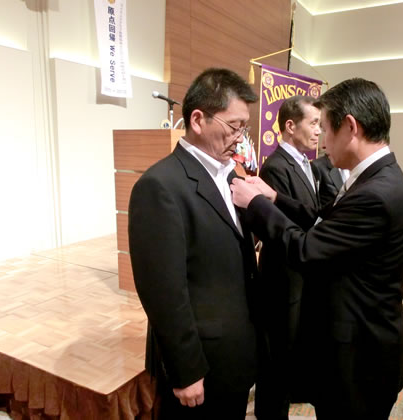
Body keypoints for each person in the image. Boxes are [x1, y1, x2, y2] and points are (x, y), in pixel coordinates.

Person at [230, 78, 403, 419]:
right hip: (358, 346)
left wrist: (255, 203)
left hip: (359, 362)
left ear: (351, 127)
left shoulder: (375, 195)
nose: (322, 140)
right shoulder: (377, 178)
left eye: (326, 129)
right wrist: (275, 197)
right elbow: (324, 221)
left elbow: (307, 249)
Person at [128, 68, 259, 420]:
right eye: (234, 127)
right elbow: (163, 292)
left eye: (244, 128)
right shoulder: (160, 186)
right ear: (198, 120)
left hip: (234, 352)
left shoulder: (229, 175)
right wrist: (186, 370)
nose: (240, 139)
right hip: (200, 362)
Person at [255, 96, 321, 420]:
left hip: (300, 268)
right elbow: (292, 221)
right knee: (277, 352)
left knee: (293, 344)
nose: (319, 131)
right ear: (291, 126)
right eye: (314, 123)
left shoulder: (307, 163)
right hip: (282, 274)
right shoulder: (275, 167)